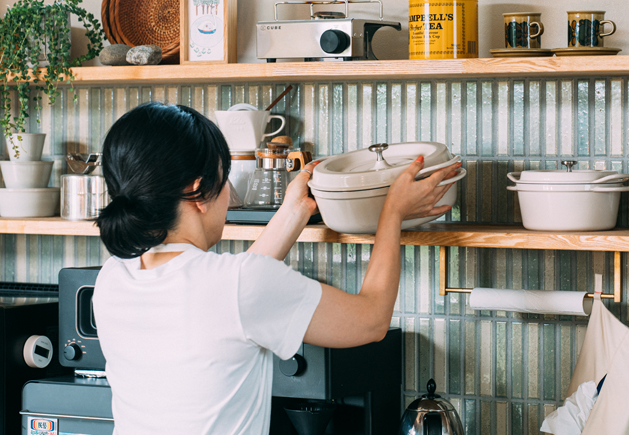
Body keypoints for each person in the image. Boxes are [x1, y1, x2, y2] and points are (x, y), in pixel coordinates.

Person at [92, 102, 459, 435]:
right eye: (225, 180)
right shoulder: (237, 286)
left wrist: (295, 212)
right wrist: (392, 211)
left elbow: (233, 297)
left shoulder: (113, 278)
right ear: (199, 191)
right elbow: (372, 320)